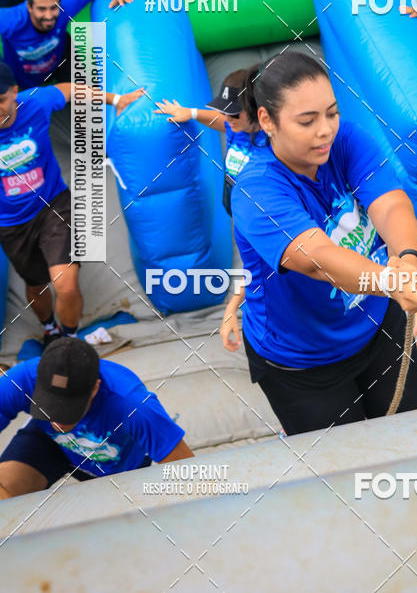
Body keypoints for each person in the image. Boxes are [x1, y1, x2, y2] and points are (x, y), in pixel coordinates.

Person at [230, 52, 417, 437]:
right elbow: (317, 259)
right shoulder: (256, 188)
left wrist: (409, 260)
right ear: (266, 121)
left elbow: (389, 203)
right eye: (307, 121)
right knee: (347, 475)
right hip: (303, 362)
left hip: (375, 322)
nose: (325, 130)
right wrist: (393, 281)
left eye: (332, 113)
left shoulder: (347, 140)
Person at [0, 62, 144, 344]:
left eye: (0, 101)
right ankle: (50, 328)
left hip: (53, 204)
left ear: (14, 92)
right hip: (11, 223)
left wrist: (116, 99)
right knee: (36, 285)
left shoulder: (36, 103)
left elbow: (70, 90)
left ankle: (69, 339)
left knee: (65, 284)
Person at [155, 69, 268, 351]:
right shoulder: (238, 126)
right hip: (239, 210)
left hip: (260, 220)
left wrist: (231, 307)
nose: (229, 119)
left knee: (259, 270)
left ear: (260, 115)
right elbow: (221, 121)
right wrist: (190, 113)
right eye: (227, 112)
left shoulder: (271, 146)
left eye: (235, 114)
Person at [0, 337, 193, 499]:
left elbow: (189, 474)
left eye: (66, 409)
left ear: (94, 388)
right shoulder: (20, 380)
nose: (57, 419)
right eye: (49, 406)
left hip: (116, 462)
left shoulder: (134, 406)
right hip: (50, 443)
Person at [0, 0, 133, 90]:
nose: (48, 15)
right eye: (41, 9)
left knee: (85, 98)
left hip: (60, 58)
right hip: (25, 78)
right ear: (29, 7)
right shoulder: (11, 20)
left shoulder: (66, 3)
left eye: (53, 8)